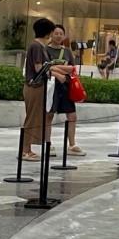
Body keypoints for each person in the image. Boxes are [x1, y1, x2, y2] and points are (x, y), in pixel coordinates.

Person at [21, 17, 56, 159]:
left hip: (38, 86)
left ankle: (28, 148)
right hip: (34, 86)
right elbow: (38, 67)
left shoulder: (39, 46)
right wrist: (51, 71)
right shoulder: (36, 46)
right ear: (48, 33)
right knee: (31, 118)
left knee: (34, 117)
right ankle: (25, 150)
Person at [48, 25, 84, 156]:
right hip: (51, 86)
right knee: (49, 115)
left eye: (61, 34)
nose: (58, 36)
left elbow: (72, 69)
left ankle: (72, 145)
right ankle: (48, 144)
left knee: (72, 115)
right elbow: (45, 68)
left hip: (66, 86)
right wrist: (61, 68)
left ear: (64, 36)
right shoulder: (45, 50)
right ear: (51, 34)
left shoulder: (67, 51)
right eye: (56, 33)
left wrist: (54, 67)